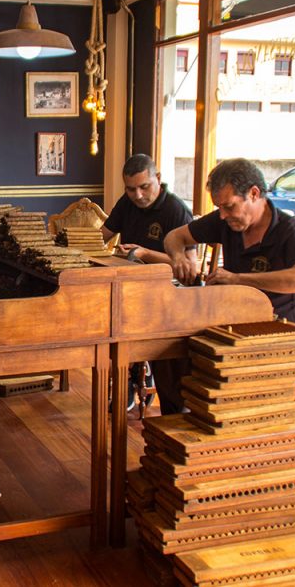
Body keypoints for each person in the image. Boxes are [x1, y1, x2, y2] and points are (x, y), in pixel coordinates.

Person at [164, 158, 295, 364]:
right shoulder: (226, 221)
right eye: (219, 207)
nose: (222, 215)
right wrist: (179, 258)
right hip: (237, 327)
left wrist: (237, 279)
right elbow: (174, 237)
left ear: (254, 194)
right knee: (169, 351)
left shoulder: (290, 231)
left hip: (289, 335)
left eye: (229, 206)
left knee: (209, 363)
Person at [101, 154, 197, 415]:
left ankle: (138, 374)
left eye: (145, 187)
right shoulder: (127, 203)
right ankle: (130, 373)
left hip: (171, 289)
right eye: (131, 189)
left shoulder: (175, 210)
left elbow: (190, 269)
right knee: (107, 310)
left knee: (128, 317)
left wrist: (145, 253)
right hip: (134, 283)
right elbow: (102, 235)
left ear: (158, 179)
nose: (138, 195)